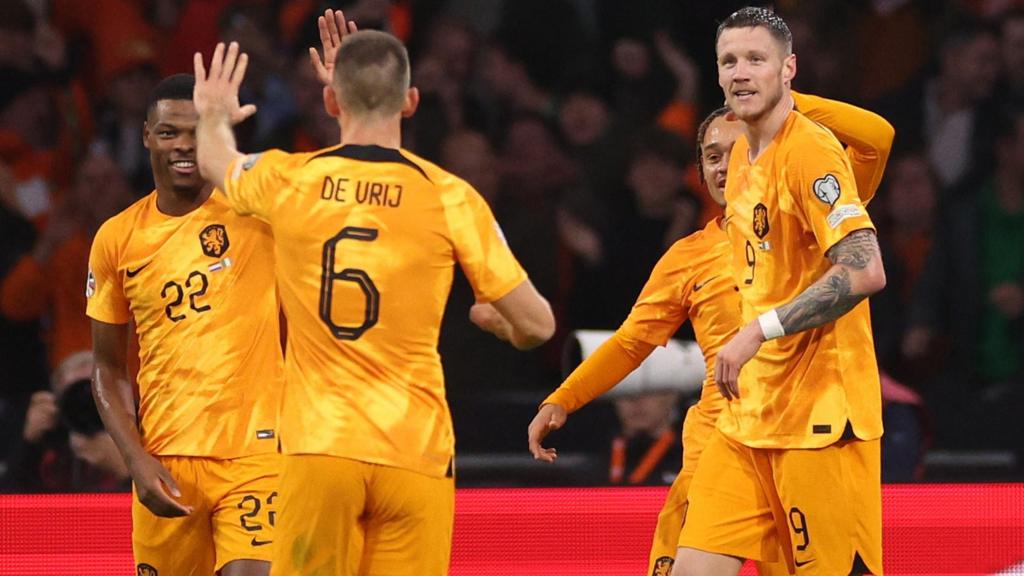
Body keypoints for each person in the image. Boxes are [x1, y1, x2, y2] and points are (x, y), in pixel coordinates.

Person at [192, 15, 555, 576]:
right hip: (416, 450)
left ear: (331, 103)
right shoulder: (451, 197)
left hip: (319, 448)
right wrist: (494, 321)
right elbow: (539, 326)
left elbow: (218, 161)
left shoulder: (289, 179)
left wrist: (214, 113)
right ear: (410, 101)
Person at [529, 87, 893, 574]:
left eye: (738, 147)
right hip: (722, 439)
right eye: (711, 156)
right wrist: (563, 398)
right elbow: (632, 341)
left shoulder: (805, 219)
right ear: (698, 173)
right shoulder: (687, 257)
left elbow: (876, 138)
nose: (725, 165)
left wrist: (780, 99)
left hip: (803, 430)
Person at [675, 8, 887, 576]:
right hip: (748, 418)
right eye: (729, 62)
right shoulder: (741, 155)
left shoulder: (813, 153)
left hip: (819, 418)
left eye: (756, 59)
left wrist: (757, 331)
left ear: (788, 68)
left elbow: (865, 270)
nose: (740, 73)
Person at [87, 74, 284, 576]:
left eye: (197, 131)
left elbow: (331, 184)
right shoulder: (116, 239)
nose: (184, 145)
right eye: (170, 131)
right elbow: (107, 369)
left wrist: (343, 98)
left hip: (257, 455)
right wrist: (135, 460)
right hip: (168, 460)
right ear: (147, 136)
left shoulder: (254, 209)